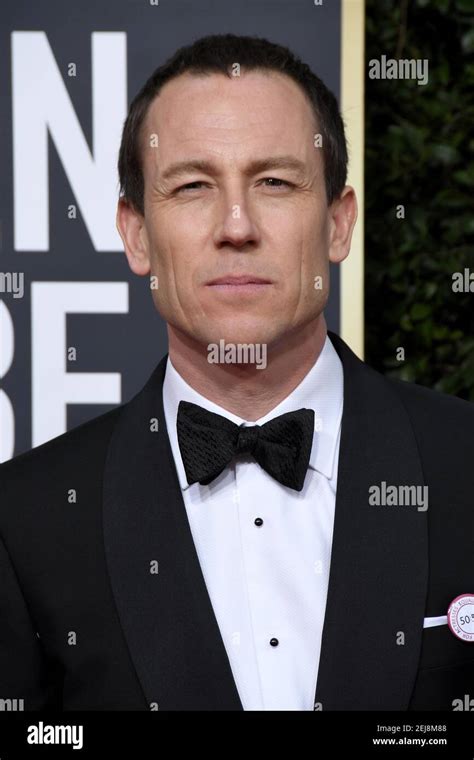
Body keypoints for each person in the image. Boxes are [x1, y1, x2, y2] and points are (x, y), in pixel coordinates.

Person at [0, 34, 473, 712]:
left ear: (339, 224)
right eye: (193, 186)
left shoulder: (466, 467)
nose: (237, 225)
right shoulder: (23, 521)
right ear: (136, 235)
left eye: (274, 182)